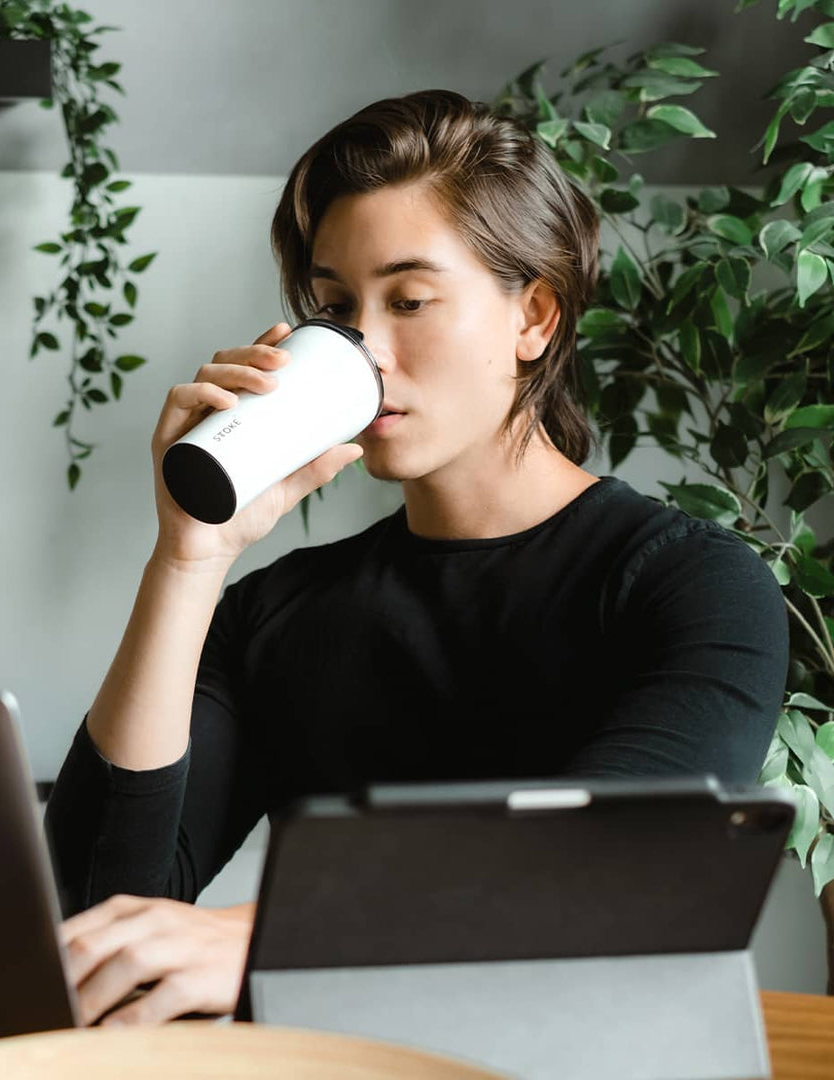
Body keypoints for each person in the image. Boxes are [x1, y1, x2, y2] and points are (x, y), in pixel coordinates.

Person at [43, 89, 789, 1029]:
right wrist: (189, 561)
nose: (368, 349)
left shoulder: (693, 586)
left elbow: (609, 868)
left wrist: (275, 935)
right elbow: (98, 910)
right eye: (334, 308)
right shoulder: (283, 610)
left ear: (536, 317)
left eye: (411, 300)